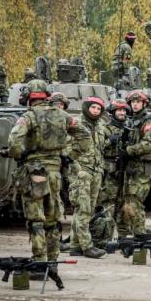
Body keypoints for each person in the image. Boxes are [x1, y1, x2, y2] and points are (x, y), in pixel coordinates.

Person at [7, 80, 90, 264]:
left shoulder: (28, 117)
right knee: (52, 218)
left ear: (28, 98)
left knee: (36, 219)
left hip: (34, 173)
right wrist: (69, 156)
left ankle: (39, 260)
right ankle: (52, 262)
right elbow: (84, 135)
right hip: (55, 173)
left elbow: (14, 141)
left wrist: (18, 154)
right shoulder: (63, 115)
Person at [66, 97, 107, 258]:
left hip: (96, 171)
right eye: (93, 107)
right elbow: (68, 150)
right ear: (86, 108)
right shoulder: (76, 124)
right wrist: (77, 170)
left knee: (86, 209)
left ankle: (75, 245)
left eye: (99, 108)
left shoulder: (100, 126)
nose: (96, 111)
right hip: (81, 172)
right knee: (84, 209)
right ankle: (87, 246)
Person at [118, 90, 151, 236]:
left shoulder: (148, 122)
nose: (135, 104)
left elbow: (149, 143)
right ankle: (126, 233)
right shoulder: (131, 121)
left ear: (144, 103)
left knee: (136, 201)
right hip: (131, 167)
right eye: (133, 102)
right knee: (126, 201)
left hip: (143, 167)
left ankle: (140, 235)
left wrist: (129, 150)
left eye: (138, 102)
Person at [97, 99, 129, 244]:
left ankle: (123, 236)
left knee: (123, 203)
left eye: (124, 110)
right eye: (119, 110)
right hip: (110, 168)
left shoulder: (129, 127)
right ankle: (106, 237)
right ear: (113, 112)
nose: (122, 113)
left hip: (125, 169)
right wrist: (110, 140)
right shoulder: (105, 128)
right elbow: (98, 147)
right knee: (108, 203)